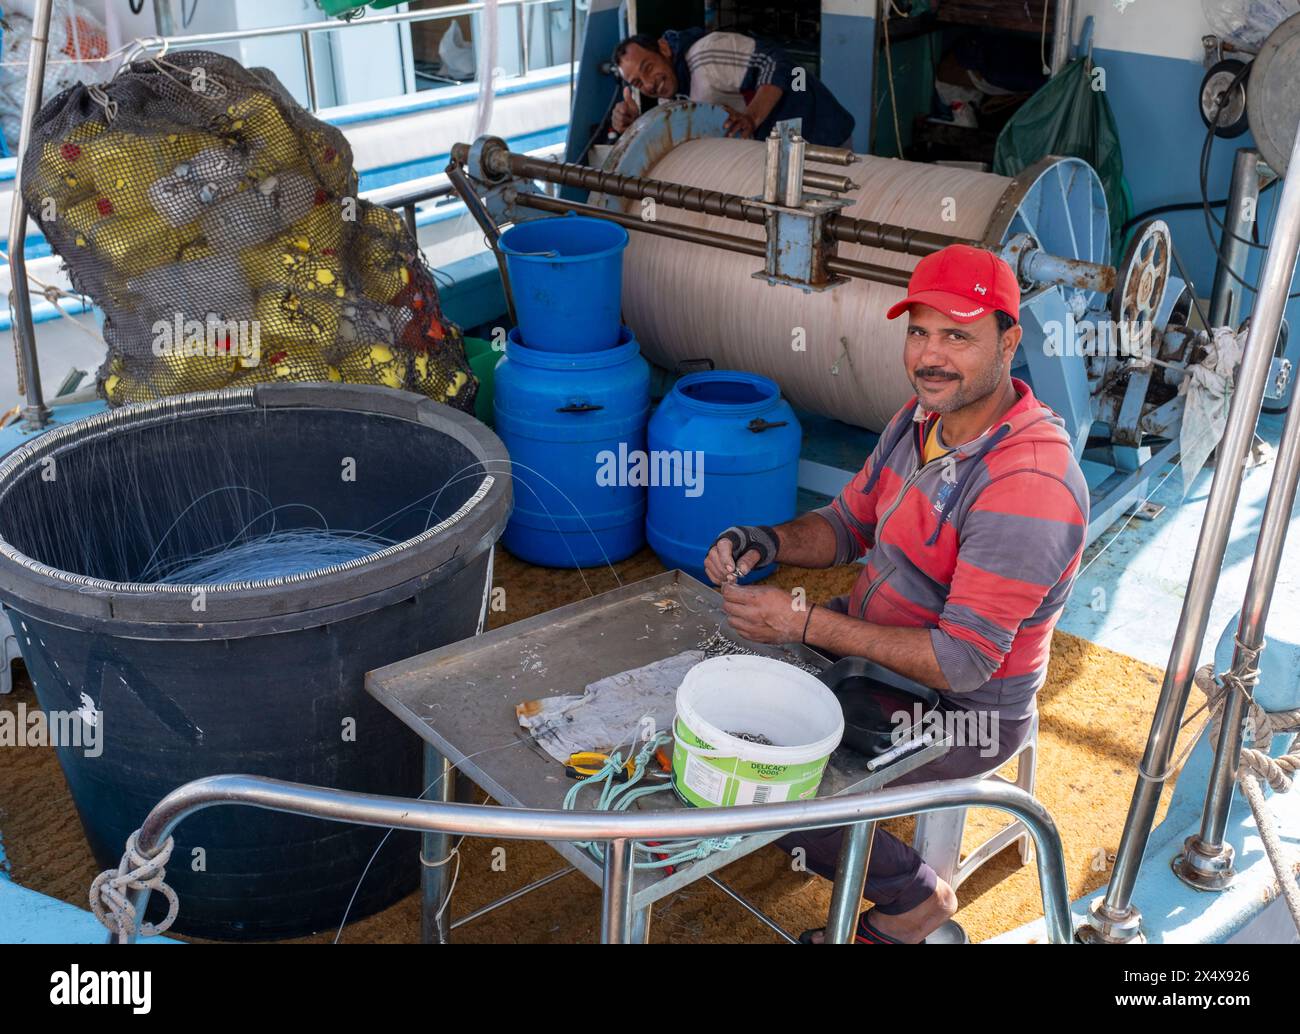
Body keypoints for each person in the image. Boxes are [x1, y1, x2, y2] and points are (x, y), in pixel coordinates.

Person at [702, 243, 1089, 943]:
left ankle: (913, 902)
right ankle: (838, 842)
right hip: (871, 655)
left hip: (959, 708)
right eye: (919, 331)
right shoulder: (920, 421)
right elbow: (847, 524)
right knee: (724, 715)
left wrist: (803, 624)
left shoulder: (1027, 483)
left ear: (1010, 342)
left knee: (763, 781)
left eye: (957, 336)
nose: (930, 356)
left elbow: (962, 663)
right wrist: (767, 539)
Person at [609, 28, 855, 147]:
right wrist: (636, 126)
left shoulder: (707, 54)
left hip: (820, 130)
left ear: (663, 49)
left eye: (648, 67)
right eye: (638, 83)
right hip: (782, 150)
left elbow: (778, 62)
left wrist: (751, 117)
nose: (650, 84)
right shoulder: (673, 96)